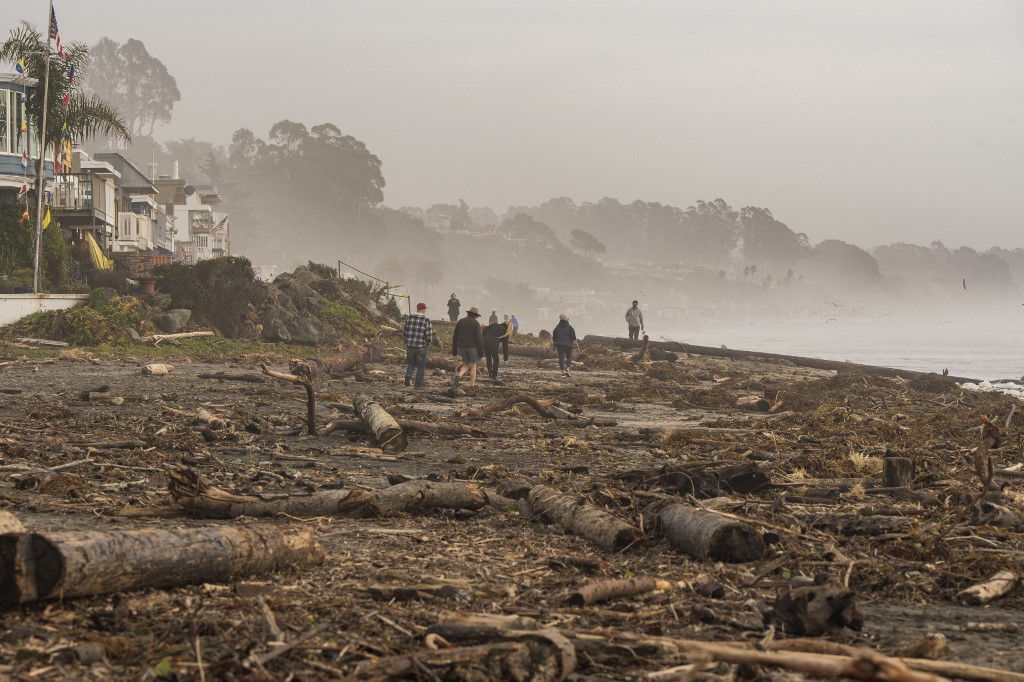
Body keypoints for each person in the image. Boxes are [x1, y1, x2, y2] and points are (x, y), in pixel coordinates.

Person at [402, 302, 439, 388]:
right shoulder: (426, 320)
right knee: (421, 366)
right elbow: (429, 335)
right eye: (425, 309)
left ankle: (408, 375)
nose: (425, 310)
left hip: (410, 346)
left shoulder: (409, 318)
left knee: (411, 363)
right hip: (421, 346)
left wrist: (406, 341)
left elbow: (404, 332)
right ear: (422, 310)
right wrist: (428, 343)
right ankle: (418, 384)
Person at [451, 306, 484, 387]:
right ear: (475, 315)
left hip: (462, 347)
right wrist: (481, 352)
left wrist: (454, 351)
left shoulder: (461, 321)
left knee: (466, 364)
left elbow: (455, 336)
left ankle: (459, 376)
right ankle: (472, 384)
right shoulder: (476, 323)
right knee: (473, 365)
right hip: (472, 348)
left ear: (469, 313)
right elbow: (478, 338)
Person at [483, 318, 514, 382]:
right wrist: (505, 358)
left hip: (485, 341)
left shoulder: (495, 325)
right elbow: (505, 346)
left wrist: (483, 337)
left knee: (488, 358)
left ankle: (490, 371)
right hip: (493, 343)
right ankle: (494, 376)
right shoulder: (506, 332)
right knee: (496, 359)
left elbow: (484, 329)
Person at [552, 313, 580, 377]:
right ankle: (567, 370)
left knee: (561, 358)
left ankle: (562, 372)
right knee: (569, 357)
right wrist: (577, 345)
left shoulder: (557, 327)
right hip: (568, 345)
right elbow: (574, 337)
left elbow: (554, 337)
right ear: (567, 319)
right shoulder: (570, 327)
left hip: (559, 345)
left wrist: (554, 345)